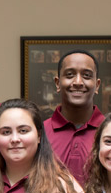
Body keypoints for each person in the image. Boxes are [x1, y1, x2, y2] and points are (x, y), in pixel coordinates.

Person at [44, 50, 105, 184]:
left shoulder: (110, 132)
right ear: (57, 83)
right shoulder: (39, 132)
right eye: (70, 75)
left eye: (87, 76)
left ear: (97, 85)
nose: (78, 82)